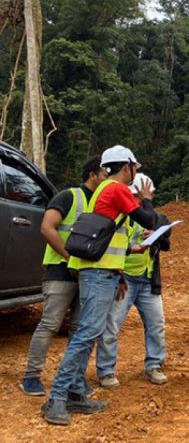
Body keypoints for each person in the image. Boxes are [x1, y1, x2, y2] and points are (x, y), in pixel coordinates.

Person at [42, 145, 161, 425]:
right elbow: (148, 219)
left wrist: (117, 272)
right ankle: (57, 397)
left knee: (90, 333)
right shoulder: (116, 188)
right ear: (127, 167)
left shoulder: (103, 190)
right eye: (135, 168)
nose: (136, 173)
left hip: (102, 271)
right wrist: (145, 199)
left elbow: (114, 236)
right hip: (97, 272)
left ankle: (73, 393)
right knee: (86, 334)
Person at [20, 157, 106, 396]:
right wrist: (70, 258)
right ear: (92, 175)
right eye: (104, 174)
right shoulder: (68, 196)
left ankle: (73, 380)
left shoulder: (102, 203)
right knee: (50, 323)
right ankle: (31, 377)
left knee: (79, 328)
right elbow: (47, 227)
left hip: (87, 273)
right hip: (60, 269)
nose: (107, 179)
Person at [96, 173, 171, 388]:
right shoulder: (121, 217)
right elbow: (114, 245)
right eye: (137, 196)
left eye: (144, 196)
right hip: (125, 279)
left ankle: (154, 365)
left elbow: (166, 243)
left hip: (148, 280)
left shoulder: (157, 218)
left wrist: (157, 236)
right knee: (112, 325)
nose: (139, 201)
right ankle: (106, 371)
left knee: (156, 324)